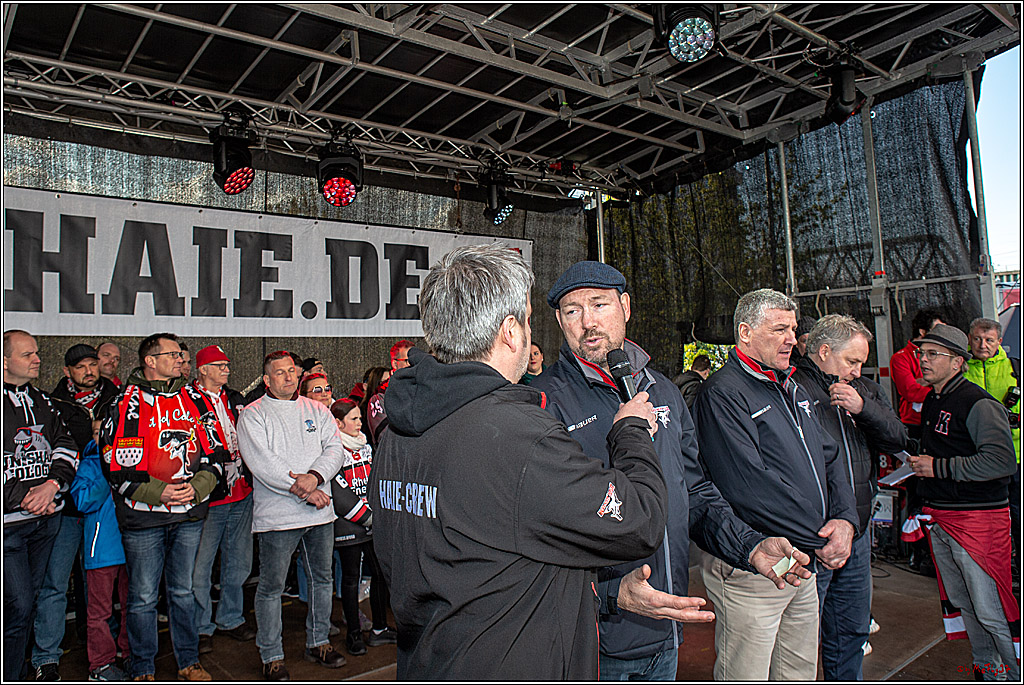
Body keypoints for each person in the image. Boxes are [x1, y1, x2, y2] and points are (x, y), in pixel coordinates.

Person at [372, 244, 684, 679]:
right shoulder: (516, 436)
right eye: (531, 319)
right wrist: (630, 431)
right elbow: (640, 519)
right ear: (511, 332)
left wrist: (609, 598)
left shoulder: (396, 432)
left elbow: (488, 563)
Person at [533, 262, 812, 681]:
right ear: (559, 320)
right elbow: (539, 533)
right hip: (591, 643)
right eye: (572, 311)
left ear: (625, 307)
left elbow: (694, 493)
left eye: (599, 304)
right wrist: (609, 595)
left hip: (665, 630)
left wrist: (750, 547)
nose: (588, 321)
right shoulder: (541, 401)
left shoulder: (662, 389)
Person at [693, 289, 859, 681]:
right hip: (758, 565)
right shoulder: (722, 393)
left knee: (799, 672)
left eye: (793, 328)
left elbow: (831, 456)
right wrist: (822, 539)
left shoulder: (791, 387)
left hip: (803, 559)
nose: (792, 338)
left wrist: (845, 520)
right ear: (745, 333)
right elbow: (748, 487)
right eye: (780, 329)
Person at [98, 332, 223, 681]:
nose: (181, 360)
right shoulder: (126, 404)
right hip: (143, 519)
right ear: (149, 361)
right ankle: (143, 667)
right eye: (173, 354)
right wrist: (160, 493)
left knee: (183, 591)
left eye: (182, 354)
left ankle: (188, 661)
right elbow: (117, 466)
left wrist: (195, 488)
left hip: (189, 514)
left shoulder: (197, 401)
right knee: (141, 597)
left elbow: (216, 455)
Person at [791, 314, 908, 680]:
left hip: (856, 531)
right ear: (824, 351)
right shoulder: (792, 388)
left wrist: (863, 408)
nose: (857, 371)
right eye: (851, 361)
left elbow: (898, 438)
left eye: (861, 363)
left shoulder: (865, 391)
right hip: (813, 535)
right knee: (803, 636)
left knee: (852, 628)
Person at [906, 324, 1018, 681]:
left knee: (990, 609)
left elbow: (1001, 462)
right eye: (921, 354)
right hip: (943, 518)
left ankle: (1012, 672)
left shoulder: (978, 404)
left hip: (977, 523)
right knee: (966, 604)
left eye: (932, 355)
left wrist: (938, 467)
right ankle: (988, 670)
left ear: (957, 362)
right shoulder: (935, 400)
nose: (922, 361)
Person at [237, 350, 348, 680]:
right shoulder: (254, 414)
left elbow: (335, 449)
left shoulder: (316, 409)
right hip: (278, 516)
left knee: (322, 579)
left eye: (292, 371)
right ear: (267, 380)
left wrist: (314, 478)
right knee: (271, 587)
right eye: (280, 373)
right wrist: (304, 488)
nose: (288, 377)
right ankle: (271, 655)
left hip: (319, 514)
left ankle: (319, 642)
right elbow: (263, 462)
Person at [32, 344, 120, 680]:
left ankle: (103, 653)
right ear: (68, 371)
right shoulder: (52, 403)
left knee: (99, 585)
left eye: (93, 364)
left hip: (107, 506)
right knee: (55, 582)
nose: (89, 371)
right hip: (67, 507)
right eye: (81, 366)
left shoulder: (119, 398)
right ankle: (46, 656)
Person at [3, 330, 79, 682]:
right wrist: (25, 496)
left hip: (45, 520)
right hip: (9, 528)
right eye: (28, 354)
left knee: (28, 604)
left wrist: (51, 486)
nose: (37, 359)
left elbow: (67, 446)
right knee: (16, 607)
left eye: (36, 353)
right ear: (5, 362)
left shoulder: (42, 401)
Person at [189, 345, 256, 655]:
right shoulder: (185, 400)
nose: (227, 369)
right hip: (208, 495)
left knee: (238, 559)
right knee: (200, 566)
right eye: (219, 365)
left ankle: (231, 616)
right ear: (202, 369)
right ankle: (200, 625)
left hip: (241, 489)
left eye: (227, 364)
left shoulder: (234, 398)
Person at [329, 399, 396, 655]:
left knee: (379, 574)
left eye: (359, 418)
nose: (360, 424)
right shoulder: (333, 449)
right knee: (350, 579)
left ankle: (379, 629)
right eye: (354, 419)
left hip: (372, 522)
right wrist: (364, 515)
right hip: (349, 524)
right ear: (338, 423)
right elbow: (338, 491)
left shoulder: (367, 448)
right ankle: (354, 634)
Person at [71, 419, 131, 681]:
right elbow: (81, 500)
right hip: (102, 550)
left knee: (134, 605)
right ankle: (101, 664)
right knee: (99, 612)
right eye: (96, 432)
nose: (102, 436)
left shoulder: (131, 460)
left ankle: (130, 655)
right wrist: (107, 476)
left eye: (107, 430)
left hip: (130, 546)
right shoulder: (88, 465)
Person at [965, 317, 1022, 570]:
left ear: (1000, 341)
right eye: (977, 339)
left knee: (1018, 515)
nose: (982, 345)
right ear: (969, 339)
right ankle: (986, 566)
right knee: (982, 517)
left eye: (989, 340)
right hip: (975, 457)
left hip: (1014, 456)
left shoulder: (1016, 369)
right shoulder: (960, 367)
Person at [890, 309, 947, 439]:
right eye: (938, 330)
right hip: (914, 423)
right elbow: (910, 391)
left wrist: (926, 382)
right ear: (923, 332)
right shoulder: (901, 358)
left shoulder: (944, 353)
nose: (942, 335)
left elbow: (951, 379)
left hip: (940, 420)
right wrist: (940, 391)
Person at [365, 340, 413, 447]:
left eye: (415, 360)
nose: (412, 365)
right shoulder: (380, 396)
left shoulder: (422, 388)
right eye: (407, 361)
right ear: (395, 363)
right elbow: (385, 436)